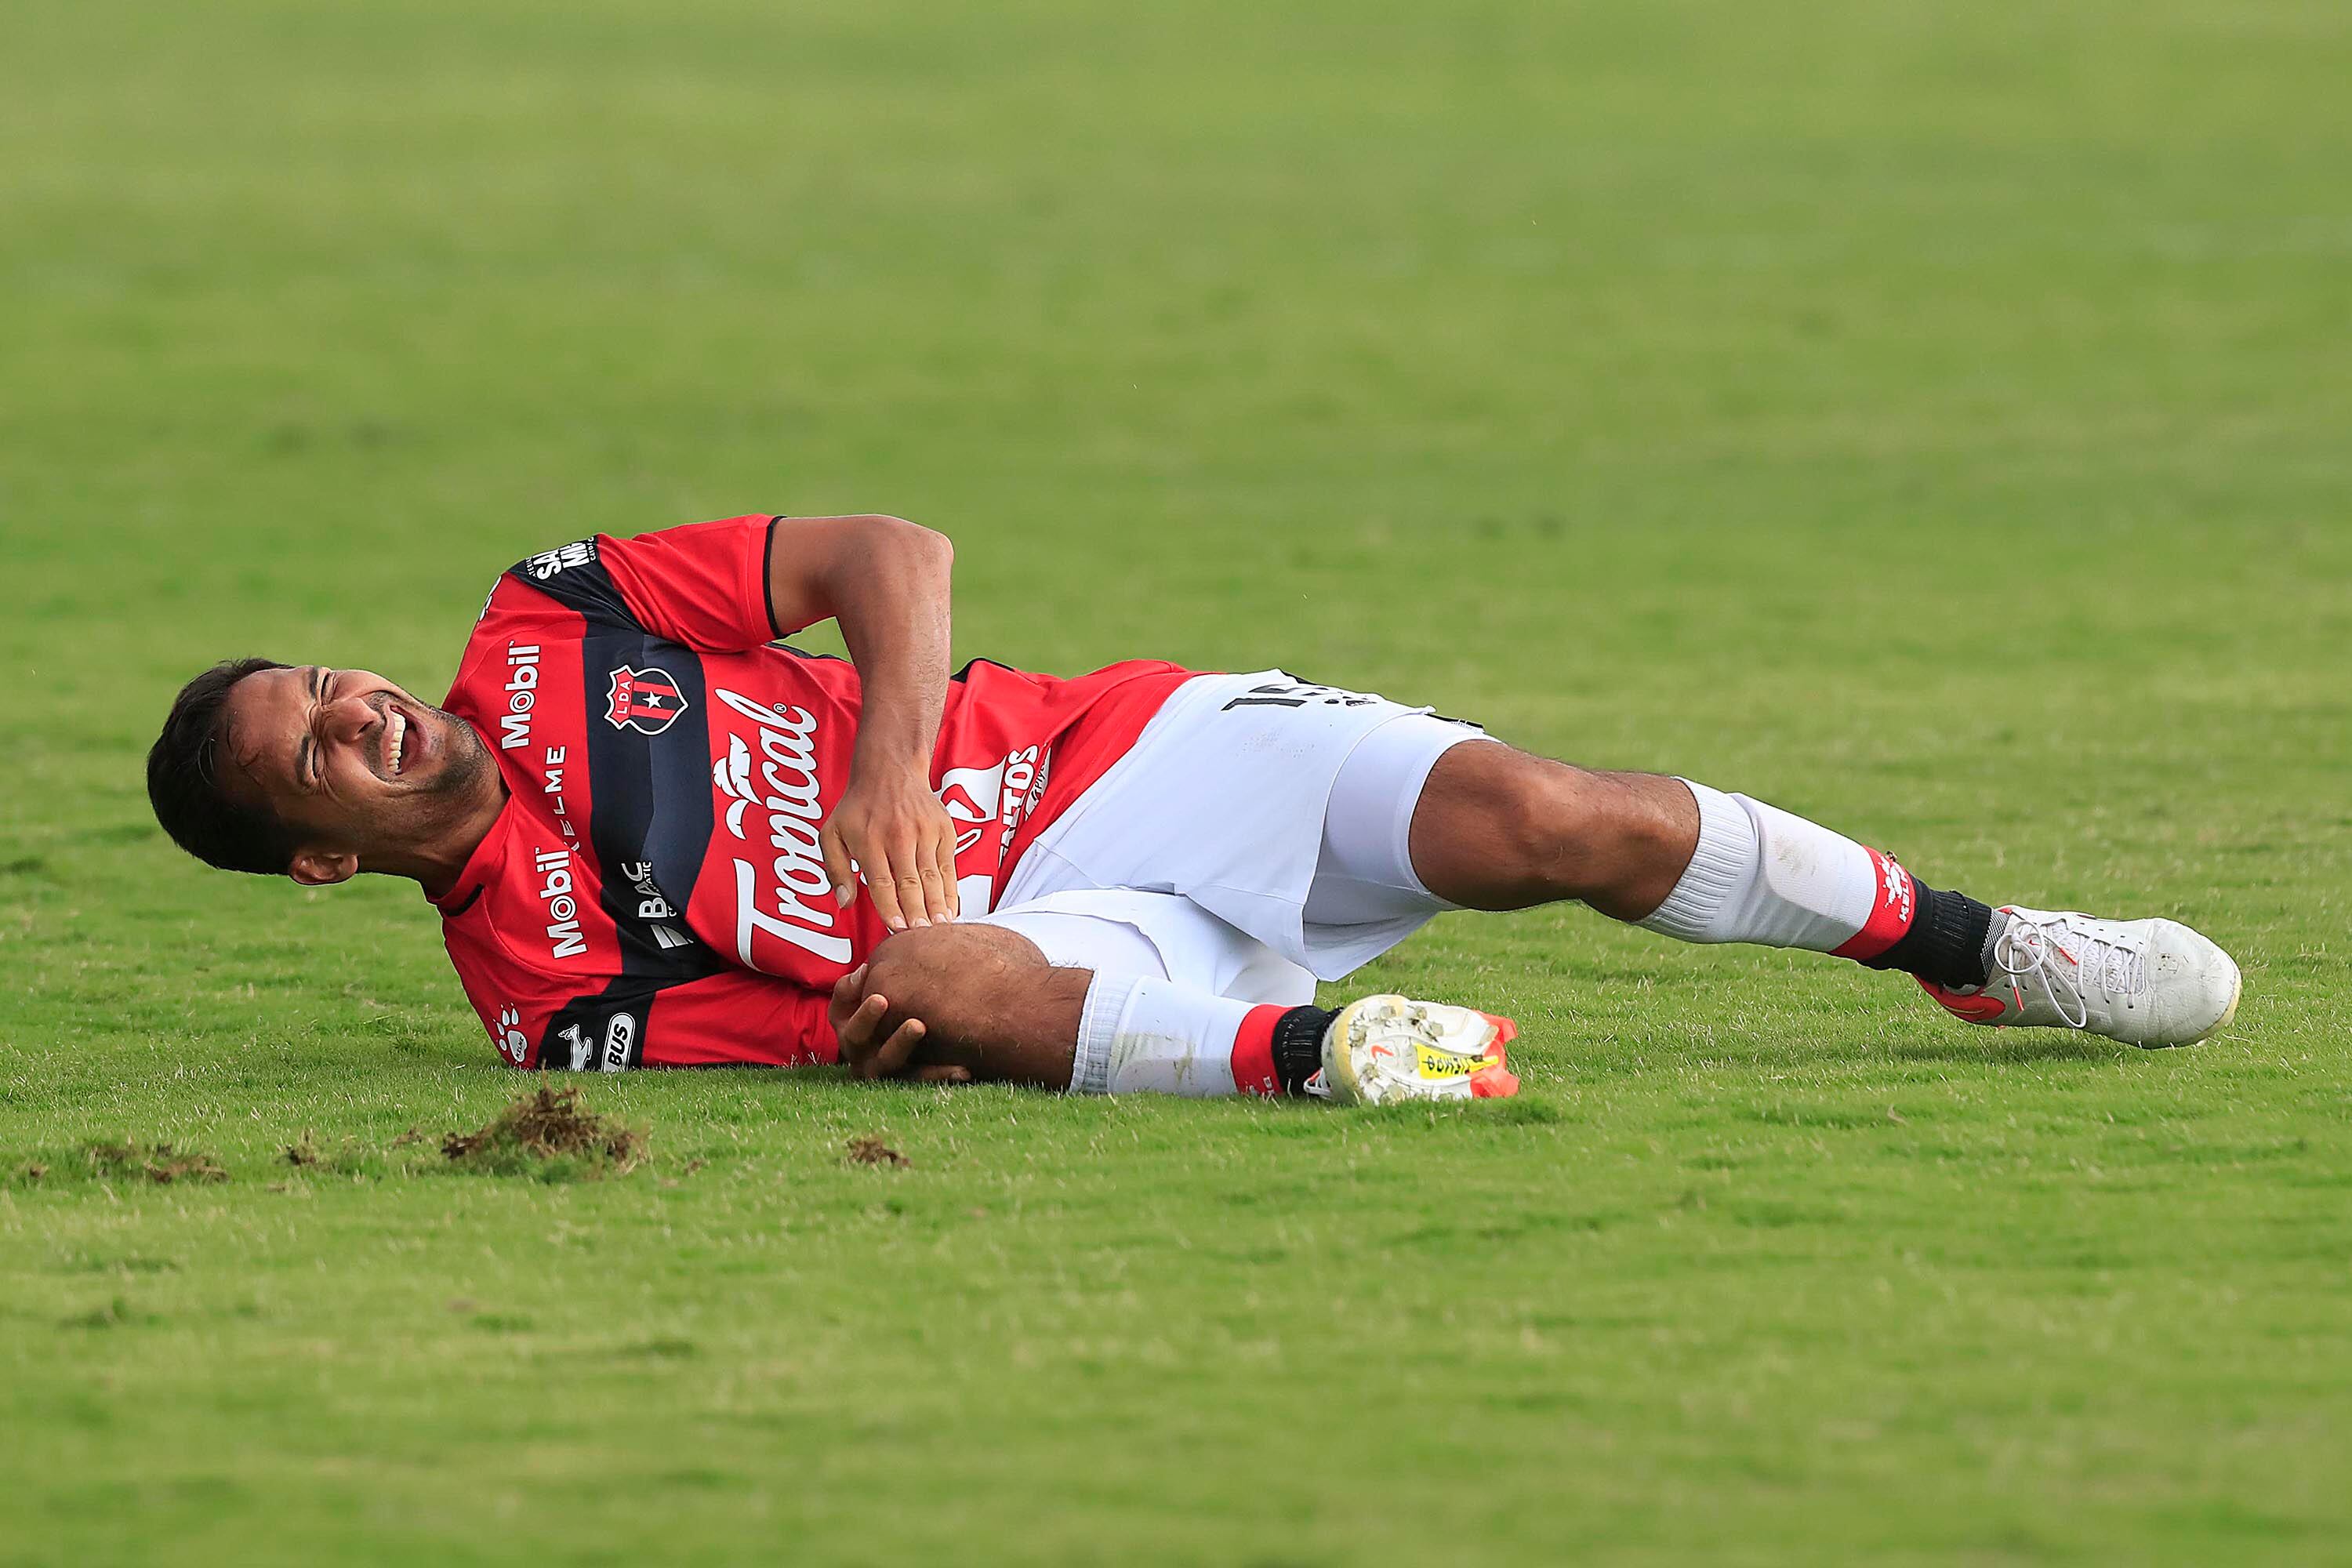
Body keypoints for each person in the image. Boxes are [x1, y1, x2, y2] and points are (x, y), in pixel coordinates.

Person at [145, 514, 2242, 1105]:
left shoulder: (550, 618)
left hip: (1117, 756)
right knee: (947, 983)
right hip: (1073, 955)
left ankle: (1983, 952)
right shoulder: (551, 1004)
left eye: (333, 685)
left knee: (1543, 817)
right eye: (316, 755)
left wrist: (888, 753)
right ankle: (1335, 1059)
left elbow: (890, 552)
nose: (364, 717)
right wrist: (926, 984)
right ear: (321, 856)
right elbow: (831, 1033)